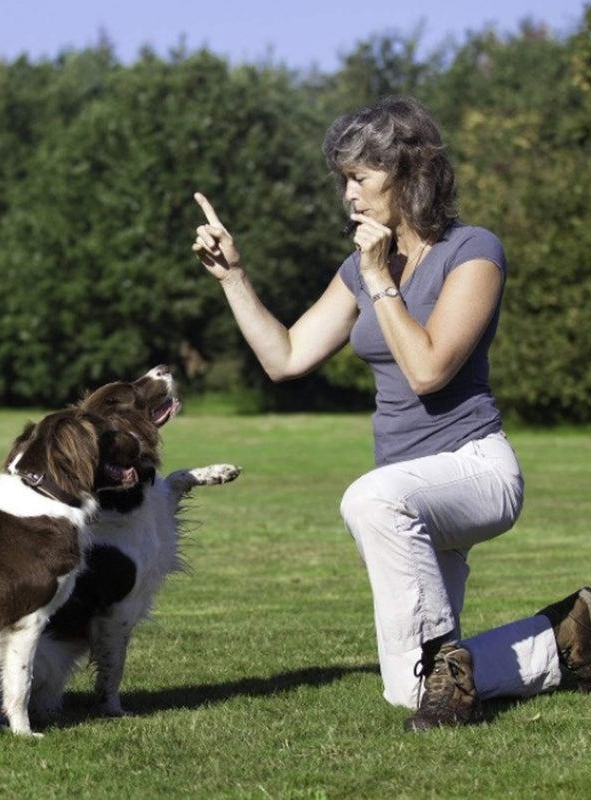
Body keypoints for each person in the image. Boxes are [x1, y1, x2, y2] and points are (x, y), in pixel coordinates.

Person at [192, 95, 591, 731]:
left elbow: (428, 368)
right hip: (408, 494)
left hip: (474, 470)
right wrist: (233, 277)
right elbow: (287, 358)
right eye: (342, 180)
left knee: (369, 499)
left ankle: (451, 680)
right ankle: (568, 637)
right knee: (411, 693)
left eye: (360, 177)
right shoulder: (359, 267)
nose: (348, 194)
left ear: (409, 174)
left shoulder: (473, 251)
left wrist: (382, 279)